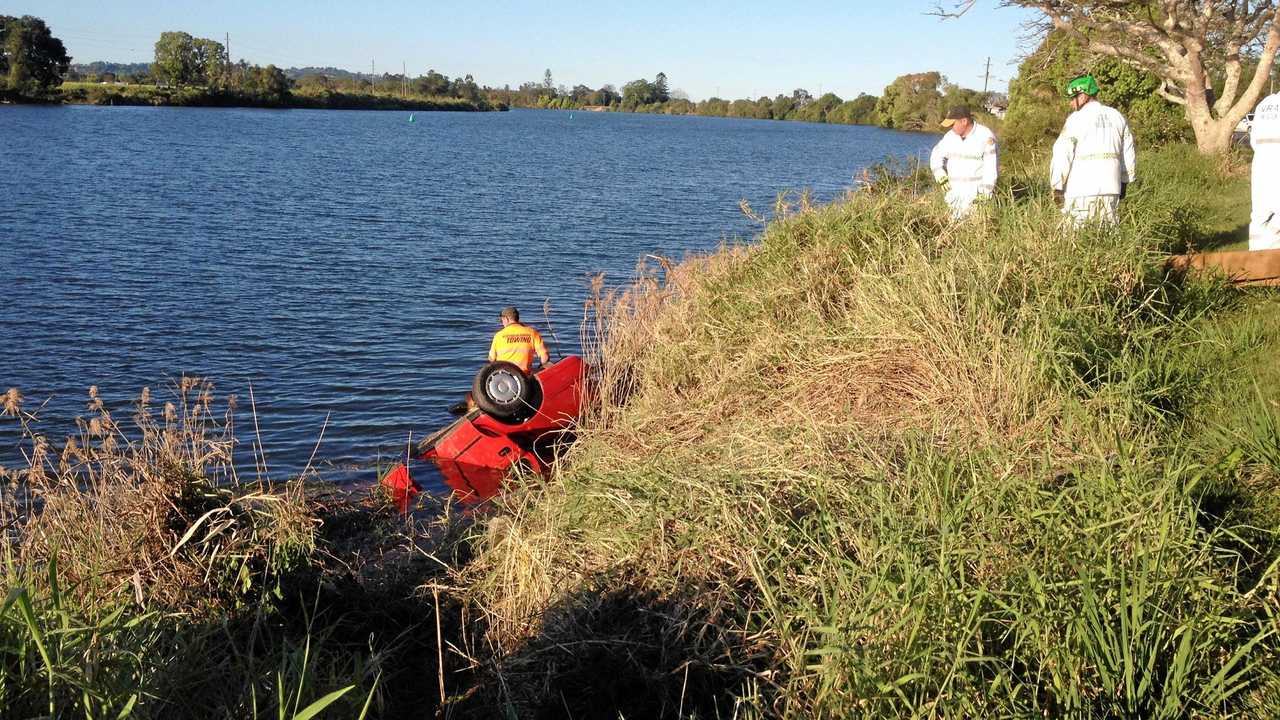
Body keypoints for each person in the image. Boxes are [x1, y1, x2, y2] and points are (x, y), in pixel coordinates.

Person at [1050, 74, 1136, 226]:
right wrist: (1124, 182)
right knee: (1108, 236)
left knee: (1075, 237)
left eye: (1072, 98)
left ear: (1083, 96)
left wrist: (1057, 186)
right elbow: (1128, 154)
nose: (1071, 103)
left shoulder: (1076, 119)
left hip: (1080, 190)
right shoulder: (1117, 116)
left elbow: (1062, 153)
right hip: (1112, 188)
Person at [929, 105, 999, 218]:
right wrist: (940, 175)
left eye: (953, 124)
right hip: (953, 196)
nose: (951, 128)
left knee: (974, 230)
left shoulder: (985, 137)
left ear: (964, 121)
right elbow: (936, 155)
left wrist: (986, 193)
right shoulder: (950, 137)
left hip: (976, 196)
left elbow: (991, 168)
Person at [1249, 91, 1280, 250]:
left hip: (1261, 162)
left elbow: (1253, 138)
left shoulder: (1265, 103)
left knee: (1259, 215)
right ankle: (1273, 251)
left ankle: (1254, 259)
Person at [488, 306, 549, 373]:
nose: (502, 323)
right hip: (524, 377)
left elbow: (491, 359)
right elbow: (545, 357)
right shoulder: (532, 333)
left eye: (501, 320)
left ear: (506, 319)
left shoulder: (499, 335)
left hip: (505, 377)